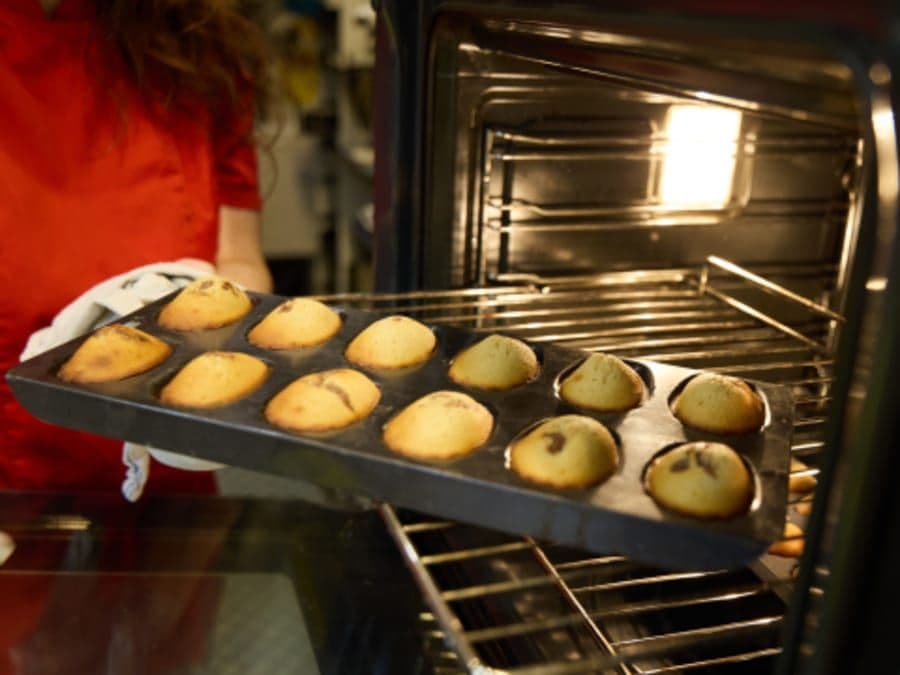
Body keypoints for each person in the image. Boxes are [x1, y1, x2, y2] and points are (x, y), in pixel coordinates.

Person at [0, 0, 272, 495]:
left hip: (174, 460)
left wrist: (225, 329)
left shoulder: (197, 45)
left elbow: (239, 258)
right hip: (13, 479)